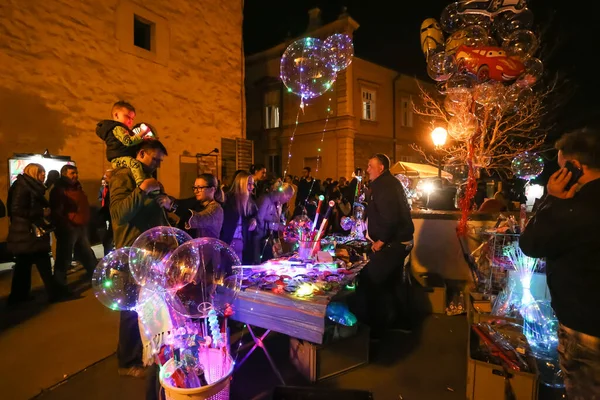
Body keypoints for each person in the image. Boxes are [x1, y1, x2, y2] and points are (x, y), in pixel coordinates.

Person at [519, 127, 600, 399]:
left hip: (586, 329)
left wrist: (552, 199)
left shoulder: (577, 208)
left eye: (562, 165)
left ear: (575, 167)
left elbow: (530, 244)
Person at [109, 140, 175, 391]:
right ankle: (126, 361)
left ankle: (144, 352)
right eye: (155, 159)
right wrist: (142, 191)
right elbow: (119, 214)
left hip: (149, 254)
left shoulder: (148, 178)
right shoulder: (124, 177)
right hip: (129, 255)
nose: (158, 164)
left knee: (145, 307)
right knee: (129, 310)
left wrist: (165, 201)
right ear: (141, 154)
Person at [361, 153, 415, 336]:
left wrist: (380, 242)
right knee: (393, 282)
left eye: (370, 165)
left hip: (393, 243)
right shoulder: (388, 183)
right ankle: (402, 322)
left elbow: (390, 218)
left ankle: (374, 331)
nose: (367, 169)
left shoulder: (384, 186)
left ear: (381, 167)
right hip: (400, 241)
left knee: (370, 280)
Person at [6, 164, 63, 305]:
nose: (43, 174)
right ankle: (53, 294)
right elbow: (16, 209)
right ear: (32, 172)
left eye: (44, 172)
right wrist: (41, 213)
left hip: (27, 233)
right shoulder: (23, 186)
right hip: (28, 232)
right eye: (40, 172)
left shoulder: (29, 185)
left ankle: (18, 297)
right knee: (42, 262)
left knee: (23, 266)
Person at [50, 165, 97, 287]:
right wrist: (66, 224)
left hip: (80, 226)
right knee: (64, 257)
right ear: (64, 174)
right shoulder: (60, 190)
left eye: (76, 173)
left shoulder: (77, 187)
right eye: (72, 173)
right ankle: (59, 286)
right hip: (69, 227)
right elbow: (57, 211)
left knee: (86, 252)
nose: (75, 175)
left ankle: (96, 275)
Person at [96, 101, 153, 187]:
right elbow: (128, 141)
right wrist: (142, 133)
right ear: (116, 115)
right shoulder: (117, 128)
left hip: (124, 156)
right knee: (135, 164)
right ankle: (141, 186)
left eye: (132, 118)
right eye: (127, 117)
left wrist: (143, 139)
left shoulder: (124, 129)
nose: (130, 120)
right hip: (119, 158)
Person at [220, 171, 258, 264]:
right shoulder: (227, 200)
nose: (252, 187)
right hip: (227, 243)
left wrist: (254, 220)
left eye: (253, 184)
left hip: (242, 244)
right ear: (241, 184)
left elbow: (254, 215)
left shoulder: (250, 203)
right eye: (249, 184)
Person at [256, 183, 295, 261]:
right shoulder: (266, 200)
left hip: (271, 238)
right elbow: (258, 222)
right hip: (260, 239)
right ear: (283, 193)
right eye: (288, 197)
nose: (288, 200)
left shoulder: (279, 204)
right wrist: (276, 226)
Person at [185, 173, 224, 239]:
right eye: (195, 187)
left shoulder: (216, 208)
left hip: (209, 248)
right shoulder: (199, 205)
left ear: (212, 189)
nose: (196, 191)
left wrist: (173, 206)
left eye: (200, 187)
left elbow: (197, 219)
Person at [98, 169, 114, 255]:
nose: (105, 179)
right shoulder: (107, 188)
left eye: (106, 177)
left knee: (108, 241)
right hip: (110, 216)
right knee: (107, 241)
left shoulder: (114, 189)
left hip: (114, 218)